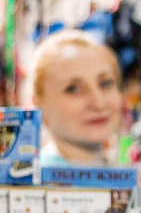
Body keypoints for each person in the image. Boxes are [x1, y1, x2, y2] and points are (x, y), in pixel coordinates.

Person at [29, 29, 123, 166]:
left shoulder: (124, 178)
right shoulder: (27, 184)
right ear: (39, 105)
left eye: (105, 83)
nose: (99, 103)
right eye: (73, 89)